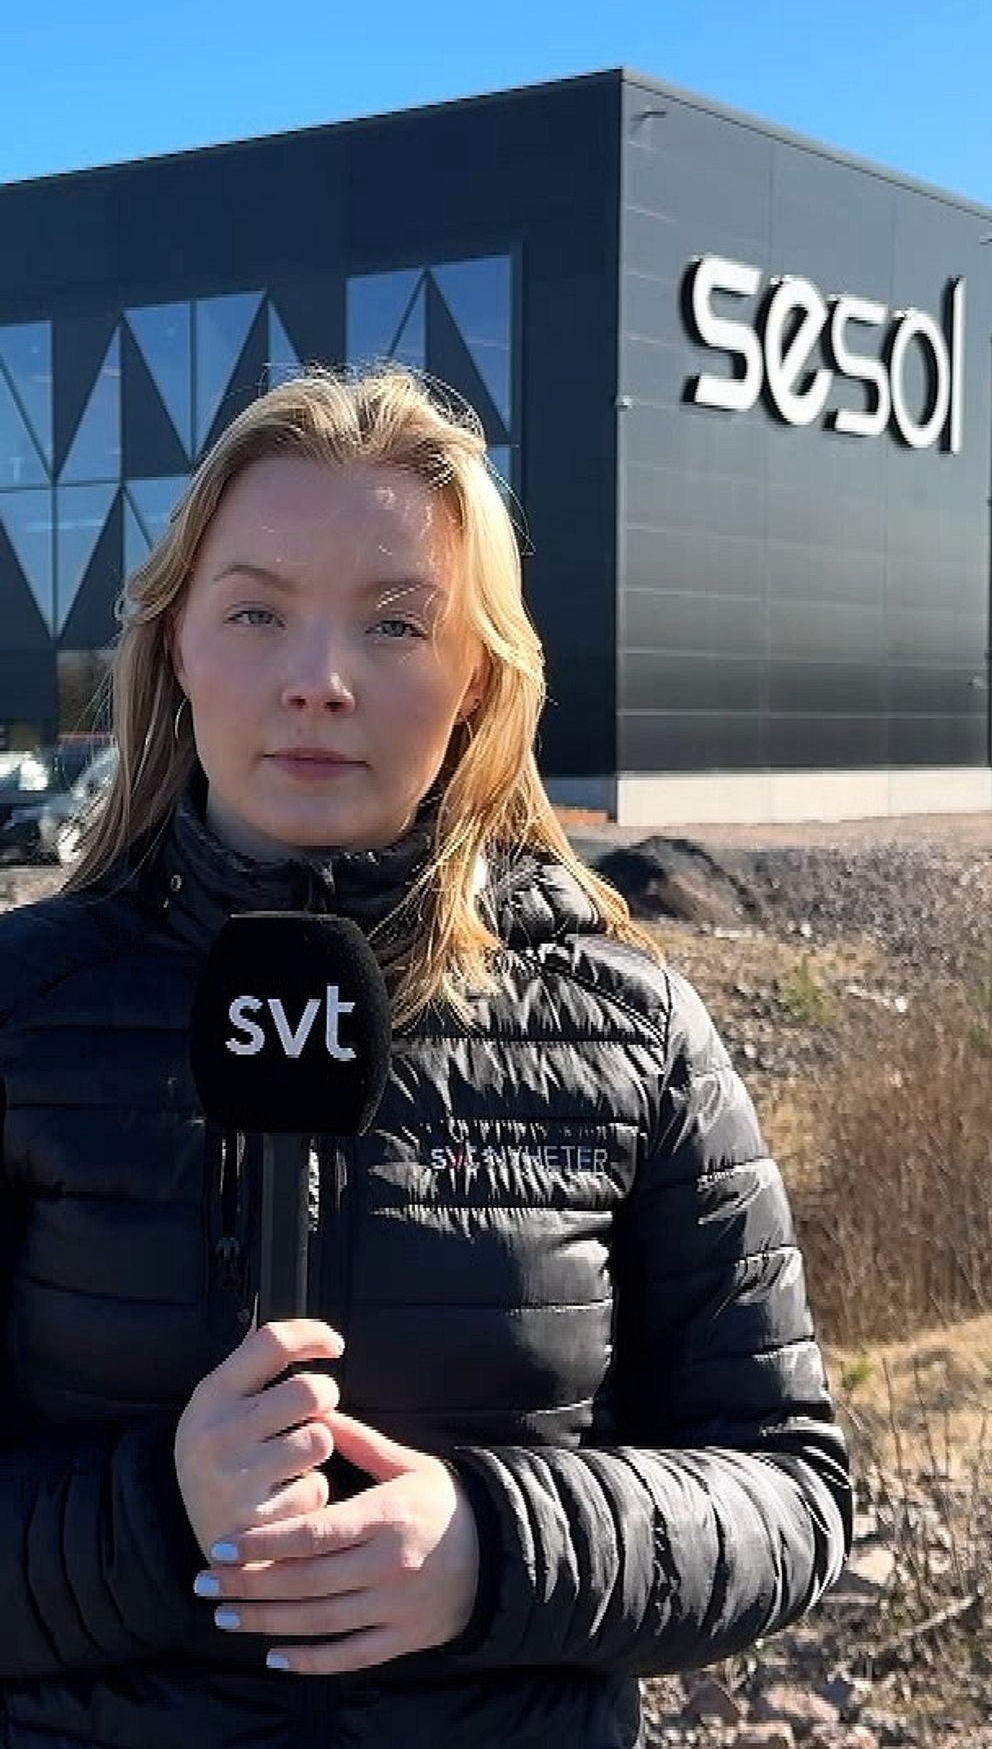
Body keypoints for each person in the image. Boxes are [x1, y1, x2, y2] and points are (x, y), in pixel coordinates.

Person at [0, 365, 851, 1749]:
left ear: (475, 682)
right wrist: (154, 1513)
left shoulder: (632, 1033)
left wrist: (495, 1549)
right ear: (176, 648)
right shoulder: (23, 1010)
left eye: (395, 623)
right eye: (256, 611)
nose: (317, 682)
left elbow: (793, 1492)